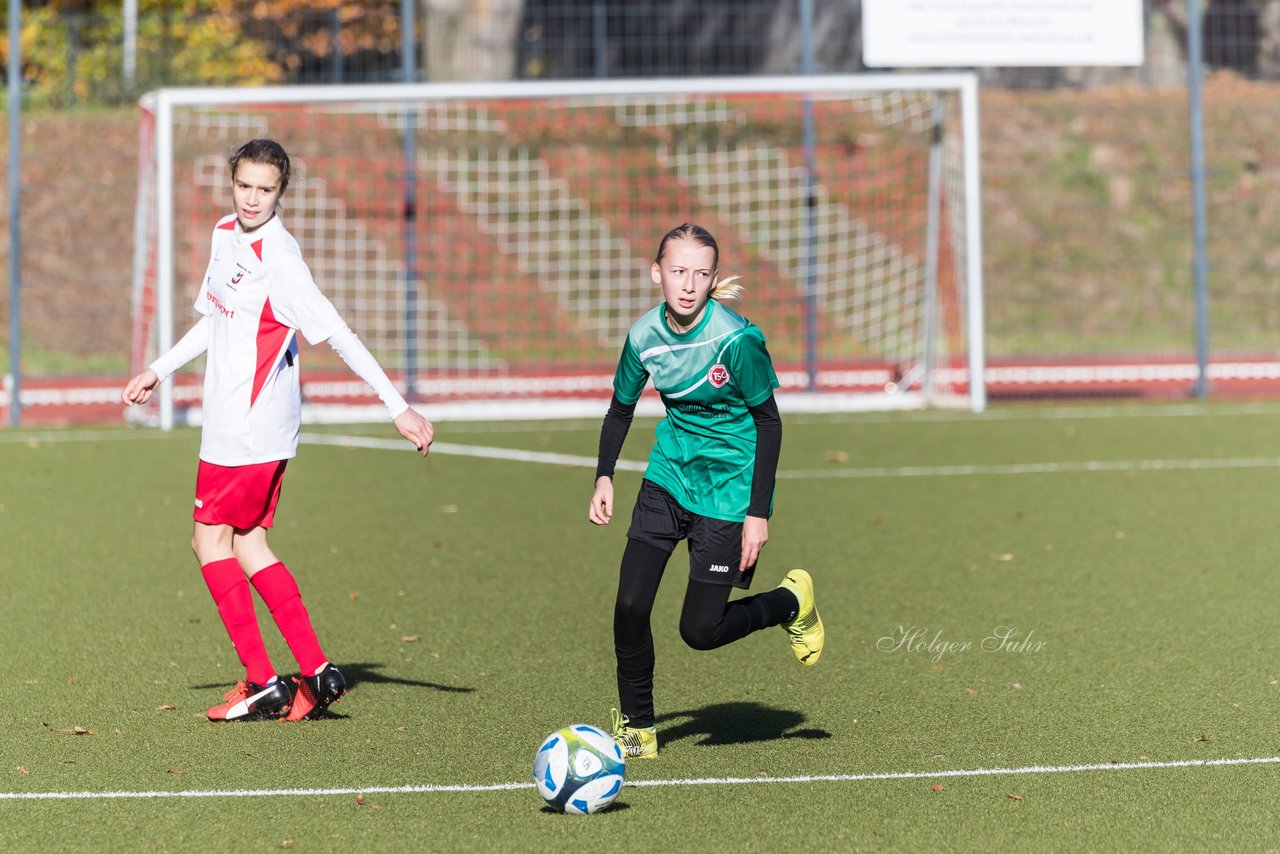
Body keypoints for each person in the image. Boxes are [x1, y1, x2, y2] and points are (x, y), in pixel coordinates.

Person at [121, 138, 434, 723]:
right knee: (248, 543)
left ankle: (263, 681)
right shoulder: (224, 235)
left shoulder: (281, 259)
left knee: (207, 541)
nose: (253, 198)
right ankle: (317, 671)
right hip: (242, 424)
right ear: (232, 183)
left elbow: (340, 334)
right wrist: (159, 370)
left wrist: (399, 407)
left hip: (246, 427)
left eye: (266, 189)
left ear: (281, 192)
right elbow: (213, 323)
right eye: (245, 186)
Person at [588, 222, 824, 760]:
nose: (688, 284)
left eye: (700, 273)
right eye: (677, 272)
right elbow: (621, 408)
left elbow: (769, 423)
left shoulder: (736, 339)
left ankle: (791, 600)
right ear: (657, 274)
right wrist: (604, 475)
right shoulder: (644, 336)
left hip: (727, 493)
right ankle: (638, 726)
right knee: (628, 606)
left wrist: (756, 514)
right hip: (668, 479)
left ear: (714, 277)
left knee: (701, 630)